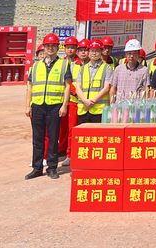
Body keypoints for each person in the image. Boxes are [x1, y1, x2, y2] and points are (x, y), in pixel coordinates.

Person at [25, 34, 71, 180]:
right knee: (37, 138)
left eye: (53, 46)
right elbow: (30, 87)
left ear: (58, 48)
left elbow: (67, 86)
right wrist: (27, 106)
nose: (50, 48)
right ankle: (37, 167)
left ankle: (52, 168)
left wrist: (64, 105)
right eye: (47, 46)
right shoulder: (35, 66)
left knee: (53, 137)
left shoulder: (64, 64)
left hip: (54, 106)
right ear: (43, 48)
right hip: (38, 105)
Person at [74, 40, 114, 125]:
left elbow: (107, 88)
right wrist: (85, 101)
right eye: (92, 50)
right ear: (88, 52)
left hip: (99, 110)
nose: (94, 53)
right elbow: (78, 88)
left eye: (97, 51)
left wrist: (93, 101)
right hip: (83, 109)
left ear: (101, 52)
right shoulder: (82, 68)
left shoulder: (107, 68)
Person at [59, 35, 80, 167]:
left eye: (72, 47)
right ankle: (61, 148)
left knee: (72, 128)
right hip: (61, 101)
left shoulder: (80, 63)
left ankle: (70, 154)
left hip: (73, 101)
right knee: (62, 128)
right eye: (68, 47)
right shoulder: (61, 62)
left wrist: (73, 90)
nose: (70, 50)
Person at [110, 38, 149, 103]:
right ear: (125, 54)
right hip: (120, 105)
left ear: (138, 54)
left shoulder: (144, 70)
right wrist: (112, 105)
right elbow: (113, 89)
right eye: (129, 53)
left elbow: (146, 89)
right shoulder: (118, 69)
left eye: (134, 53)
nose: (131, 56)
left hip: (136, 106)